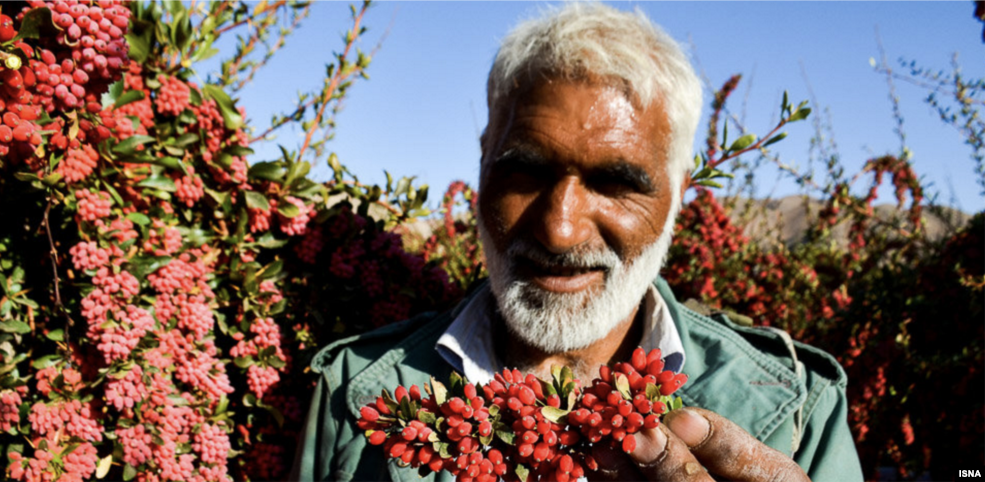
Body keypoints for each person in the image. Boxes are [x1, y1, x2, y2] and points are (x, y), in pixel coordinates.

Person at [290, 3, 862, 481]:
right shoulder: (356, 394)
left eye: (616, 182)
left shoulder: (799, 413)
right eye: (525, 172)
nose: (559, 228)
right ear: (482, 163)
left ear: (678, 195)